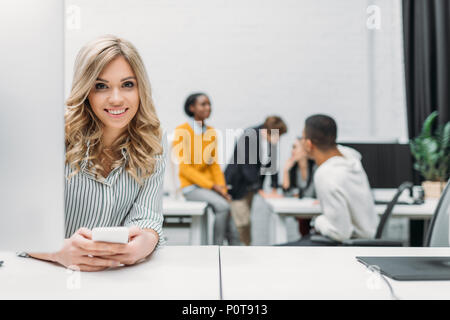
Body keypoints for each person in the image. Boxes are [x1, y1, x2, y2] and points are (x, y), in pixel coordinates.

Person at [29, 35, 166, 271]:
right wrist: (57, 250)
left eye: (127, 84)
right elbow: (14, 225)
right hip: (46, 276)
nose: (116, 99)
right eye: (101, 86)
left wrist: (144, 243)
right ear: (86, 90)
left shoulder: (152, 141)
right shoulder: (51, 138)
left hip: (115, 279)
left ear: (140, 88)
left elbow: (148, 217)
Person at [284, 114, 378, 245]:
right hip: (365, 239)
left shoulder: (327, 173)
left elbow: (340, 232)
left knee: (277, 252)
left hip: (349, 245)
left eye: (303, 137)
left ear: (308, 144)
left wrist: (317, 221)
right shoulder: (350, 158)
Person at [172, 93, 240, 245]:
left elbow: (213, 165)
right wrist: (213, 186)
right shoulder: (182, 131)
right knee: (223, 207)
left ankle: (235, 249)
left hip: (210, 188)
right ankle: (216, 247)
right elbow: (185, 169)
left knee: (229, 208)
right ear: (192, 108)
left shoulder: (211, 132)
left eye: (209, 104)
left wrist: (222, 188)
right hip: (191, 188)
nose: (208, 107)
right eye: (203, 104)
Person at [225, 116, 288, 245]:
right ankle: (239, 250)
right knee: (241, 222)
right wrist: (260, 189)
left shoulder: (272, 139)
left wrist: (275, 188)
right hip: (237, 185)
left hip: (250, 187)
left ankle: (246, 248)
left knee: (245, 220)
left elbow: (273, 164)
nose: (279, 139)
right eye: (278, 135)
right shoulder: (249, 136)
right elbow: (246, 166)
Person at [282, 137, 316, 236]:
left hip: (315, 212)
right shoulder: (293, 169)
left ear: (305, 150)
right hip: (303, 212)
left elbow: (311, 193)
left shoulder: (315, 167)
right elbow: (288, 196)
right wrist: (285, 172)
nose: (292, 151)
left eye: (295, 147)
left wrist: (298, 194)